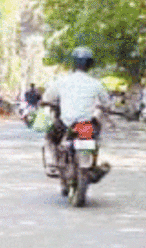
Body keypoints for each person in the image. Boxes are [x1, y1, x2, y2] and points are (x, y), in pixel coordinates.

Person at [43, 47, 112, 177]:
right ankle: (92, 164)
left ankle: (52, 164)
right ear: (90, 65)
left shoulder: (61, 81)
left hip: (65, 124)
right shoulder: (96, 84)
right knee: (95, 137)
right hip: (84, 126)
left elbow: (47, 98)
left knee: (50, 138)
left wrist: (48, 103)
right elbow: (107, 103)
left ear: (74, 63)